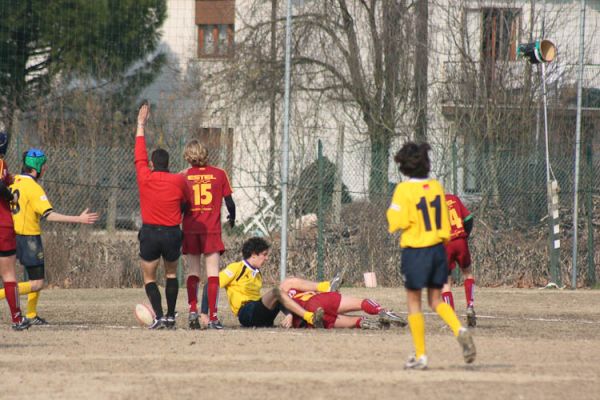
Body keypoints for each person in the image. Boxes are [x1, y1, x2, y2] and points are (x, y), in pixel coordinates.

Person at [386, 142, 475, 370]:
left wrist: (396, 213)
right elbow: (445, 224)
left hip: (416, 251)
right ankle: (459, 329)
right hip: (438, 250)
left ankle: (421, 356)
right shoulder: (436, 187)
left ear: (404, 167)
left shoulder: (404, 190)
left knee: (414, 302)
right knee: (435, 300)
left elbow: (396, 222)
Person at [0, 148, 99, 325]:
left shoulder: (13, 181)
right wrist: (79, 219)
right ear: (37, 167)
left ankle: (30, 314)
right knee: (37, 283)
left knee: (25, 276)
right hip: (29, 237)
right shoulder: (34, 188)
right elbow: (49, 215)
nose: (45, 169)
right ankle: (4, 295)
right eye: (43, 165)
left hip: (10, 233)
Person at [135, 101, 190, 330]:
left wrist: (141, 124)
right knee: (170, 275)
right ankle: (170, 316)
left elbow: (139, 153)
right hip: (171, 234)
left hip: (150, 232)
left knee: (149, 277)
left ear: (151, 164)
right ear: (169, 164)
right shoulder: (178, 180)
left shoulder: (144, 176)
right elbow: (186, 203)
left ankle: (157, 316)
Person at [218, 237, 341, 328]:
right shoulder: (236, 268)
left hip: (261, 315)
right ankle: (310, 317)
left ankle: (327, 287)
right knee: (277, 291)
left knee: (288, 283)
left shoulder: (257, 273)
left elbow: (278, 300)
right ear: (254, 255)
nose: (266, 258)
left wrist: (288, 314)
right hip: (247, 314)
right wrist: (207, 314)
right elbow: (212, 284)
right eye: (264, 255)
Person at [180, 139, 235, 330]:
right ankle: (212, 317)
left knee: (193, 271)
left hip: (191, 228)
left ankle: (193, 309)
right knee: (213, 274)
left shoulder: (183, 177)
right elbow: (230, 203)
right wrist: (232, 219)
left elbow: (180, 205)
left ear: (188, 156)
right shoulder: (219, 174)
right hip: (211, 230)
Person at [0, 132, 29, 330]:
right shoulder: (0, 163)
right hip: (2, 225)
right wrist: (10, 196)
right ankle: (17, 319)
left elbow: (7, 179)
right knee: (9, 273)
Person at [281, 286, 407, 330]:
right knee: (361, 303)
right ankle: (381, 311)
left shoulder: (284, 299)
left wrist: (289, 315)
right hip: (316, 300)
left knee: (354, 322)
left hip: (306, 319)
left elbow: (283, 303)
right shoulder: (292, 286)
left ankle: (367, 322)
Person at [442, 193, 476, 327]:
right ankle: (470, 305)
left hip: (445, 245)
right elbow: (468, 218)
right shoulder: (452, 198)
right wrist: (465, 235)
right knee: (467, 273)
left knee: (445, 283)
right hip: (460, 240)